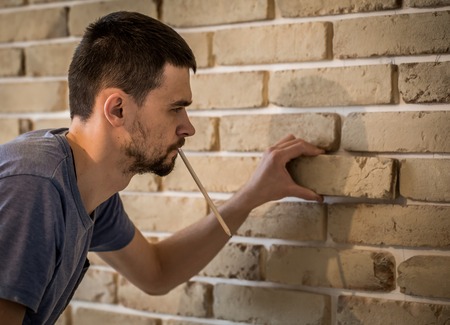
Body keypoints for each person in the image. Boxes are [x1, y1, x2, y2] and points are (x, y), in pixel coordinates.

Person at [0, 11, 324, 324]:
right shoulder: (36, 185)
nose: (188, 128)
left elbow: (157, 273)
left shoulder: (90, 191)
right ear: (118, 108)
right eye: (176, 109)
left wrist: (252, 195)